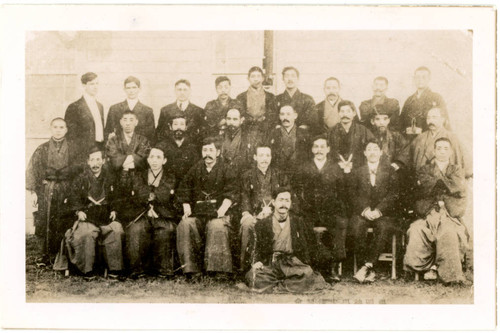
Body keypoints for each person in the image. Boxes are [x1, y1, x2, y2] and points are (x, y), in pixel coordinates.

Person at [404, 137, 468, 284]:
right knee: (416, 229)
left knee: (448, 232)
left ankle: (444, 271)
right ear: (434, 151)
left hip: (448, 212)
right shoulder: (425, 169)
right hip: (429, 211)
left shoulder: (456, 169)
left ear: (451, 152)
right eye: (439, 148)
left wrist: (436, 182)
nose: (442, 151)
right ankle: (423, 268)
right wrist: (447, 183)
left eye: (446, 148)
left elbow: (458, 187)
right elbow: (424, 188)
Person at [53, 148, 124, 279]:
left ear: (103, 161)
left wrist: (114, 209)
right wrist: (78, 211)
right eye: (92, 160)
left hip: (105, 215)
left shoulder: (111, 178)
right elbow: (73, 198)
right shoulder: (80, 179)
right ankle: (87, 270)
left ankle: (114, 268)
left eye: (98, 159)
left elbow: (117, 197)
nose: (95, 163)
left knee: (116, 230)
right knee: (86, 233)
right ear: (88, 162)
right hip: (87, 216)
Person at [176, 137, 237, 279]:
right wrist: (186, 205)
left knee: (217, 226)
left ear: (218, 152)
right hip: (199, 212)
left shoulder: (227, 169)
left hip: (220, 212)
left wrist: (223, 208)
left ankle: (218, 271)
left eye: (211, 150)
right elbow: (184, 187)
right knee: (186, 224)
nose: (207, 154)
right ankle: (192, 270)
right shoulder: (196, 168)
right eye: (205, 150)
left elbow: (233, 190)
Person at [245, 188, 327, 293]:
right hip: (271, 263)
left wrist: (305, 263)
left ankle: (275, 287)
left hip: (291, 263)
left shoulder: (298, 222)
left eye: (287, 200)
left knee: (307, 274)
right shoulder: (263, 223)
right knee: (253, 276)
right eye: (281, 200)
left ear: (291, 203)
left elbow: (307, 246)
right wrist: (256, 262)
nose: (283, 204)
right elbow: (255, 247)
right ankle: (287, 285)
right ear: (274, 202)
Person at [26, 118, 83, 265]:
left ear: (66, 129)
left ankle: (63, 254)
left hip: (67, 188)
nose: (58, 130)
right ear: (51, 129)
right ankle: (45, 255)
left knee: (65, 218)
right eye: (55, 127)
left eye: (61, 127)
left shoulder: (74, 148)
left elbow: (79, 170)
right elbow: (34, 171)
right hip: (47, 189)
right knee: (45, 219)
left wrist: (74, 188)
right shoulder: (42, 149)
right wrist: (34, 192)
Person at [294, 135, 348, 283]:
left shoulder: (336, 168)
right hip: (308, 210)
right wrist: (304, 208)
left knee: (338, 224)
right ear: (312, 149)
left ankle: (331, 268)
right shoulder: (303, 168)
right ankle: (310, 267)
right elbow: (298, 192)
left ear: (328, 149)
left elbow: (341, 193)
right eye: (316, 147)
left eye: (322, 147)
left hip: (329, 211)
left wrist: (336, 210)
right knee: (303, 226)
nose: (319, 150)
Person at [124, 147, 178, 278]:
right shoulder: (139, 175)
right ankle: (137, 270)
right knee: (135, 230)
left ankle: (164, 270)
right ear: (147, 160)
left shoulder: (170, 176)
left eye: (158, 157)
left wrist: (152, 197)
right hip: (142, 212)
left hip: (162, 214)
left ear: (164, 160)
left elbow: (166, 194)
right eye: (152, 157)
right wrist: (150, 198)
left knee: (165, 230)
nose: (155, 161)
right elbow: (138, 191)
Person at [350, 139, 399, 283]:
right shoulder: (357, 171)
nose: (372, 152)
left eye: (375, 149)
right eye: (369, 149)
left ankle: (367, 266)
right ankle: (367, 267)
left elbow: (394, 194)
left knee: (383, 227)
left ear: (381, 152)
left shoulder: (390, 171)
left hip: (383, 213)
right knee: (357, 226)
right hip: (363, 212)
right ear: (365, 153)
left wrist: (379, 210)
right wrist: (364, 210)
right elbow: (352, 195)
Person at [239, 145, 289, 275]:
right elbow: (244, 196)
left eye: (267, 155)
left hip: (274, 213)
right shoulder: (247, 175)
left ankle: (274, 266)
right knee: (247, 224)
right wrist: (247, 213)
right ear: (255, 157)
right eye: (261, 155)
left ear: (271, 157)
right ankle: (245, 267)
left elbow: (285, 196)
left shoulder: (279, 175)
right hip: (254, 214)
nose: (264, 159)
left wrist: (273, 211)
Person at [396, 107, 471, 177]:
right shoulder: (420, 137)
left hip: (443, 181)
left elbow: (462, 161)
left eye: (434, 117)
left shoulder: (452, 138)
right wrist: (398, 163)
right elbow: (407, 155)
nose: (430, 121)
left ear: (443, 119)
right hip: (421, 180)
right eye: (428, 118)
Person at [399, 66, 449, 139]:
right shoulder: (409, 100)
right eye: (417, 77)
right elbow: (401, 123)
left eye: (424, 77)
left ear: (429, 79)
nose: (420, 80)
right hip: (410, 140)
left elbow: (445, 122)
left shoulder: (436, 98)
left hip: (430, 139)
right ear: (414, 79)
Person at [326, 100, 375, 174]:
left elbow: (373, 148)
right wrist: (337, 164)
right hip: (336, 170)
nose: (345, 114)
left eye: (348, 111)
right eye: (342, 111)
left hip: (359, 169)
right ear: (338, 113)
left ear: (354, 113)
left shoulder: (363, 130)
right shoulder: (331, 132)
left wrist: (356, 164)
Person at [105, 76, 155, 143]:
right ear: (124, 89)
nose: (131, 91)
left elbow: (151, 135)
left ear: (139, 89)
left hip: (140, 149)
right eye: (128, 88)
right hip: (119, 148)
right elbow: (108, 131)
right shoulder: (114, 108)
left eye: (134, 87)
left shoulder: (147, 111)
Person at [64, 72, 105, 156]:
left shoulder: (100, 106)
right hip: (83, 151)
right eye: (91, 84)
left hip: (100, 149)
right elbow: (71, 135)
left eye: (97, 83)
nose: (95, 86)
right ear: (84, 85)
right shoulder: (74, 107)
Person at [106, 110, 150, 186]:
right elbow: (114, 163)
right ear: (121, 122)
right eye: (125, 119)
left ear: (136, 122)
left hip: (139, 181)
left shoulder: (143, 140)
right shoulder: (113, 140)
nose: (128, 123)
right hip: (117, 181)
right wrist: (134, 158)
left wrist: (122, 160)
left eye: (131, 120)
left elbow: (143, 162)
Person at [156, 113, 199, 190]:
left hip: (187, 187)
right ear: (170, 127)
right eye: (175, 124)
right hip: (165, 187)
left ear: (186, 127)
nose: (179, 127)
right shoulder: (161, 146)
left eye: (182, 124)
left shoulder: (193, 147)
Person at [267, 105, 311, 178]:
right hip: (278, 174)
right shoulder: (272, 134)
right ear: (279, 116)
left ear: (295, 116)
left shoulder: (304, 134)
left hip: (300, 174)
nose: (285, 118)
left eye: (288, 114)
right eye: (282, 114)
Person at [236, 66, 278, 143]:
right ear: (248, 79)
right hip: (246, 132)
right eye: (253, 76)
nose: (256, 79)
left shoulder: (270, 97)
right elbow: (240, 115)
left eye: (258, 76)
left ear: (262, 78)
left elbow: (273, 116)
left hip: (265, 132)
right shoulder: (241, 97)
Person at [156, 79, 205, 145]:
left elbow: (203, 134)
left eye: (185, 90)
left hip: (192, 149)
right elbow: (159, 132)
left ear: (190, 91)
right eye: (179, 90)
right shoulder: (165, 110)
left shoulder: (198, 111)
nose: (182, 92)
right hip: (170, 149)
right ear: (175, 91)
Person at [219, 108, 263, 177]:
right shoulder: (220, 136)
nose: (231, 122)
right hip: (223, 175)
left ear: (241, 120)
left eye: (235, 119)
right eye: (229, 119)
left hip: (243, 176)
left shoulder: (249, 138)